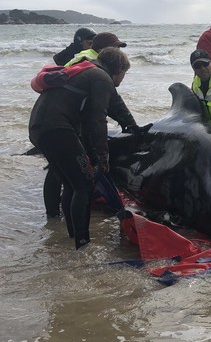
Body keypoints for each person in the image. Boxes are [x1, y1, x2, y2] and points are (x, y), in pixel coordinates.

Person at [29, 47, 135, 249]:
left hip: (39, 128)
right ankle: (82, 244)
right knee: (83, 185)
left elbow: (110, 109)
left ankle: (71, 238)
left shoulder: (87, 71)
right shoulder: (101, 78)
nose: (123, 78)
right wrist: (103, 157)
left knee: (71, 183)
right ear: (119, 69)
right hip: (57, 129)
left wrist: (131, 126)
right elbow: (96, 121)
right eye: (125, 73)